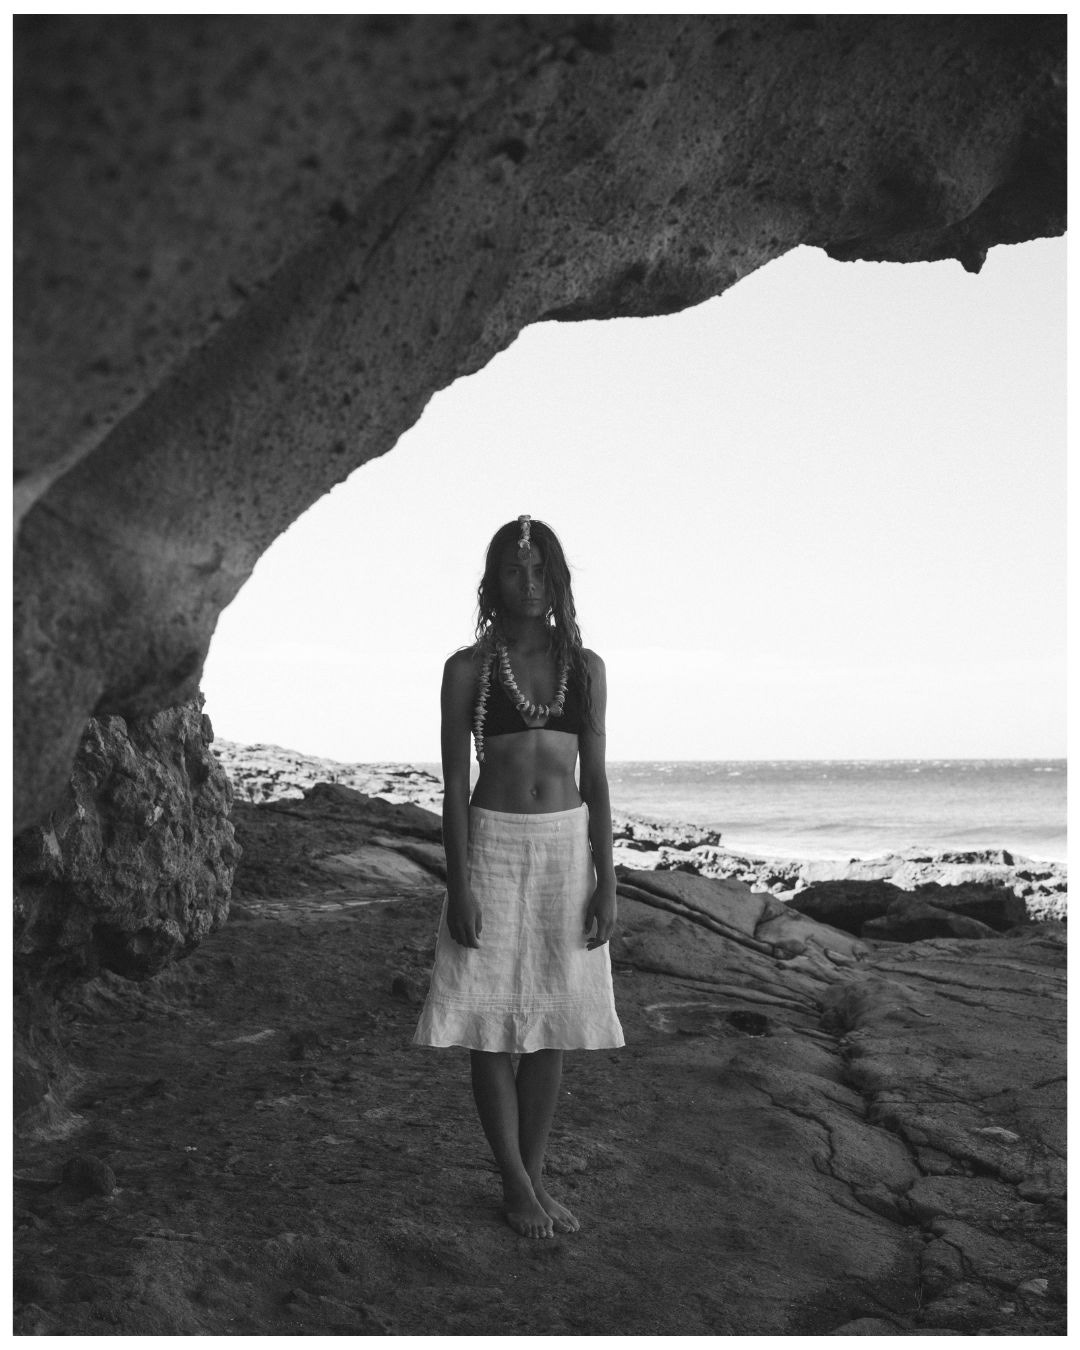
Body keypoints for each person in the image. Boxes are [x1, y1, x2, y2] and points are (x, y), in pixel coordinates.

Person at [413, 515, 624, 1239]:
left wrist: (608, 880)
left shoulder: (585, 668)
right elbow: (452, 787)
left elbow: (596, 780)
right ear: (492, 581)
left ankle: (532, 1178)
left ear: (557, 580)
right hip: (494, 848)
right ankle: (513, 1183)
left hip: (566, 850)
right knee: (489, 1024)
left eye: (539, 571)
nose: (527, 583)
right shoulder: (467, 670)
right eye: (513, 569)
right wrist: (460, 884)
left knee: (552, 1021)